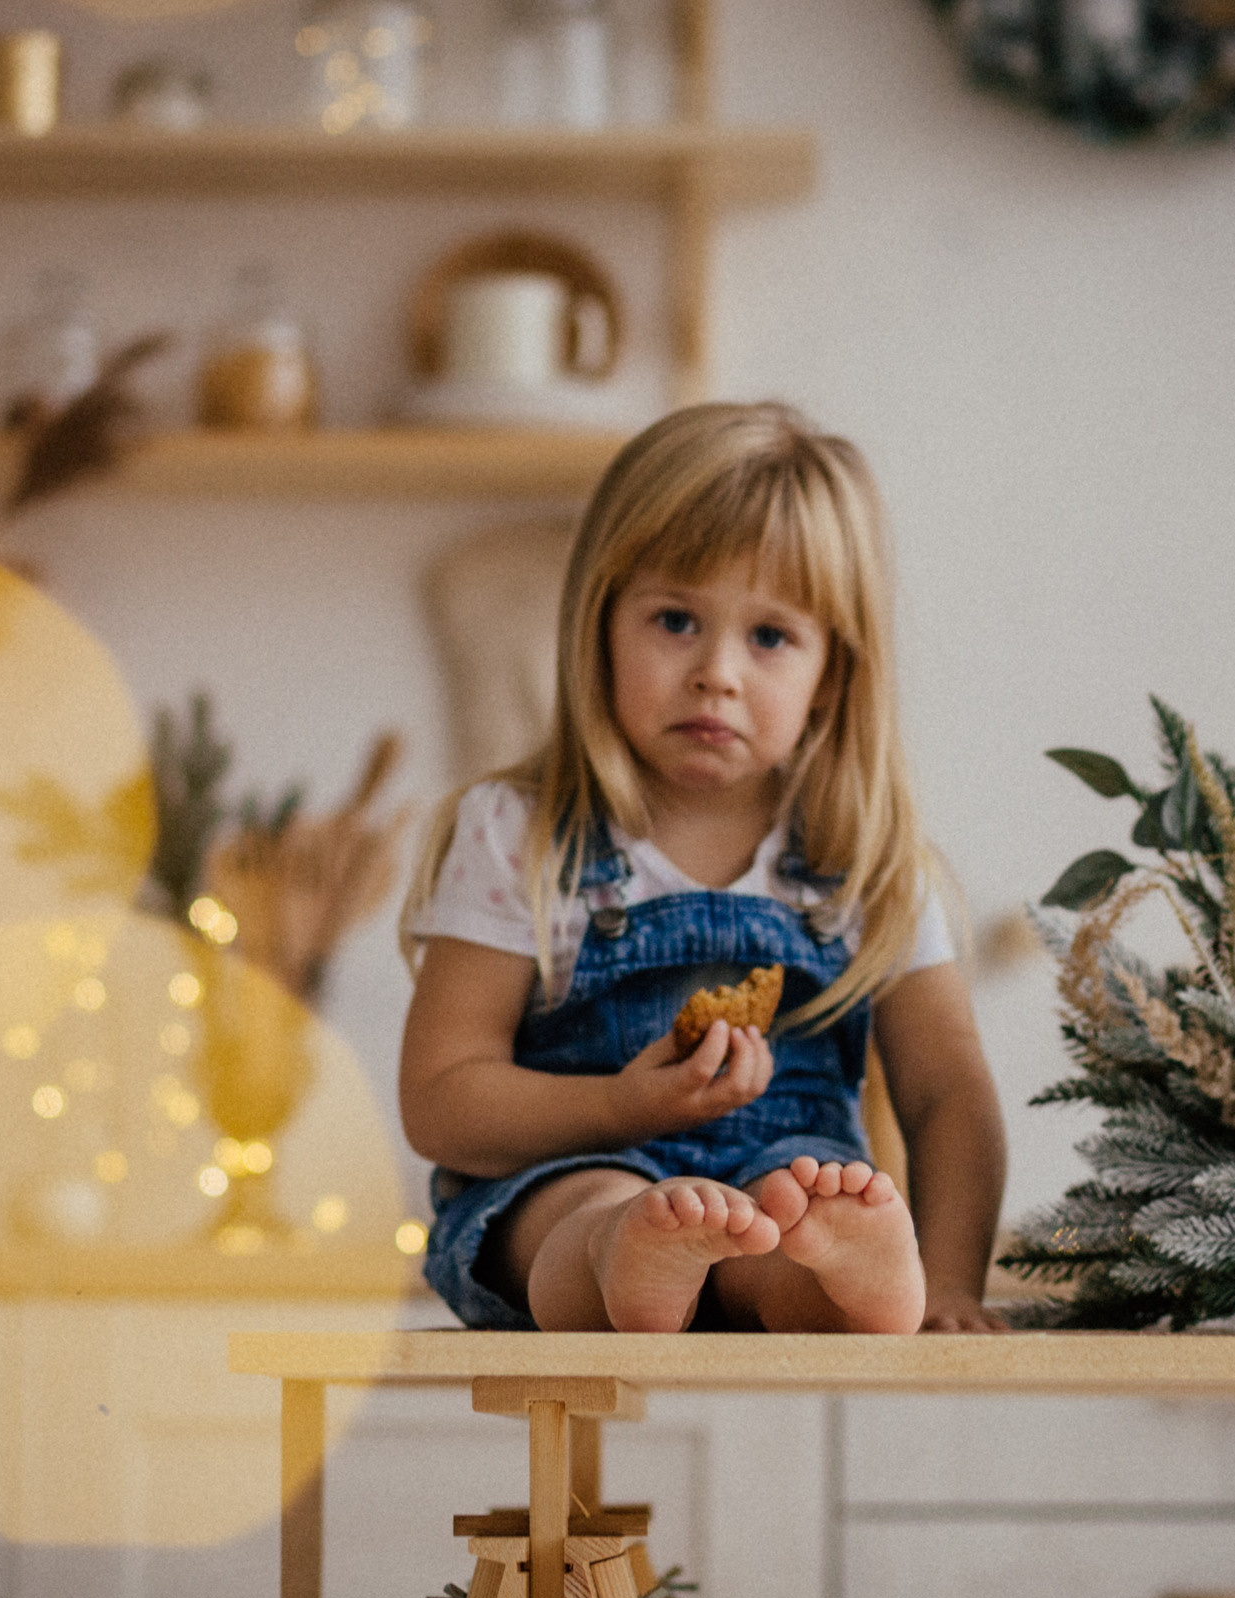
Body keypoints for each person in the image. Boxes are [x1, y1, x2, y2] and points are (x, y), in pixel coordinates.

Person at [397, 402, 1007, 1334]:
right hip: (565, 1172)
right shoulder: (520, 835)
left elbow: (948, 1091)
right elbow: (442, 1100)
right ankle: (626, 1254)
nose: (717, 671)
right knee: (587, 1209)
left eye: (770, 637)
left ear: (831, 677)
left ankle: (849, 1285)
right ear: (599, 624)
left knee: (797, 1221)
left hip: (786, 1184)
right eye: (676, 619)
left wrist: (955, 1282)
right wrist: (618, 1106)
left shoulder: (865, 864)